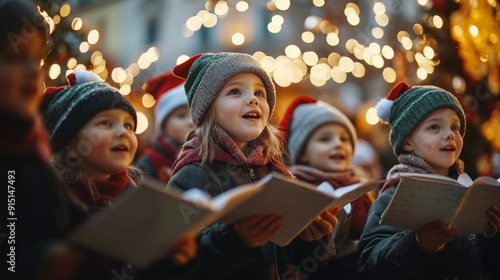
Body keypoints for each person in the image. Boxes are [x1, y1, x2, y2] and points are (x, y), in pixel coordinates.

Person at [167, 52, 339, 280]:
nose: (253, 99)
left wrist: (314, 240)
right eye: (235, 92)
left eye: (259, 92)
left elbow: (302, 264)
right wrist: (236, 240)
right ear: (208, 109)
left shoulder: (276, 172)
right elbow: (175, 263)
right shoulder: (194, 174)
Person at [41, 70, 197, 279]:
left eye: (128, 125)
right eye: (105, 123)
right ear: (68, 144)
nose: (123, 132)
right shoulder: (50, 197)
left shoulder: (138, 195)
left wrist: (172, 259)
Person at [358, 81, 500, 279]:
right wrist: (416, 244)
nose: (449, 134)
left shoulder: (469, 191)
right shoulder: (393, 195)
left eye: (455, 127)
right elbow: (369, 266)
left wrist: (492, 236)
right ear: (407, 142)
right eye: (434, 127)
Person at [0, 1, 83, 279]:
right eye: (13, 58)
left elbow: (75, 223)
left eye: (36, 60)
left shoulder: (33, 148)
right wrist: (34, 264)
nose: (33, 72)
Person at [279, 96, 376, 279]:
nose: (338, 144)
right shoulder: (294, 188)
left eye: (344, 138)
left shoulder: (360, 187)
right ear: (303, 153)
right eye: (325, 139)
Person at [137, 70, 194, 183]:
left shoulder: (211, 154)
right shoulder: (149, 163)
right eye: (181, 116)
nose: (191, 122)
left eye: (195, 113)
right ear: (163, 127)